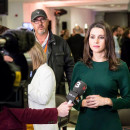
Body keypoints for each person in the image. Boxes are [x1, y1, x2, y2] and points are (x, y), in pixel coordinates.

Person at [70, 21, 130, 130]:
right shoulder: (80, 66)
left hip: (109, 124)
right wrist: (83, 103)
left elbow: (128, 99)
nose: (96, 41)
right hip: (85, 123)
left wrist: (107, 101)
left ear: (108, 40)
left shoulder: (120, 66)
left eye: (101, 37)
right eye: (92, 37)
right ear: (88, 40)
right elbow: (73, 98)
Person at [31, 9, 74, 95]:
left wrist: (73, 92)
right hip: (33, 92)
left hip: (56, 91)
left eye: (42, 20)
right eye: (36, 20)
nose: (40, 23)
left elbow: (70, 68)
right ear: (32, 23)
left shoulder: (61, 42)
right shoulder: (27, 43)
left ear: (47, 21)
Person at [28, 42, 58, 130]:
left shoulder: (46, 72)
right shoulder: (35, 72)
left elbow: (43, 98)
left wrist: (26, 87)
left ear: (33, 56)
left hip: (45, 124)